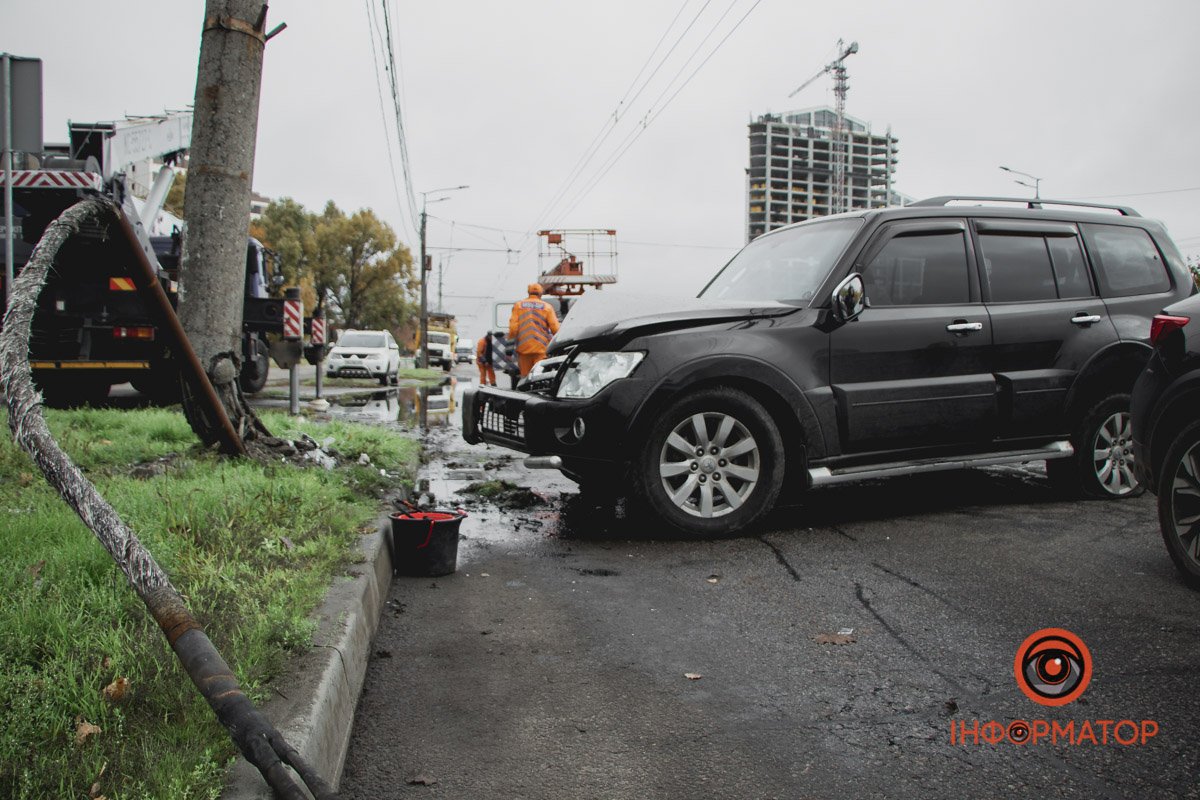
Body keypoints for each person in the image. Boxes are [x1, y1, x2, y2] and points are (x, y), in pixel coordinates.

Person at [508, 283, 560, 377]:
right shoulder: (547, 307)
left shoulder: (518, 306)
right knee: (539, 377)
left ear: (528, 292)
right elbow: (555, 328)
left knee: (525, 378)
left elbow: (513, 329)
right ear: (541, 294)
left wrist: (509, 349)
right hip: (541, 349)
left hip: (524, 350)